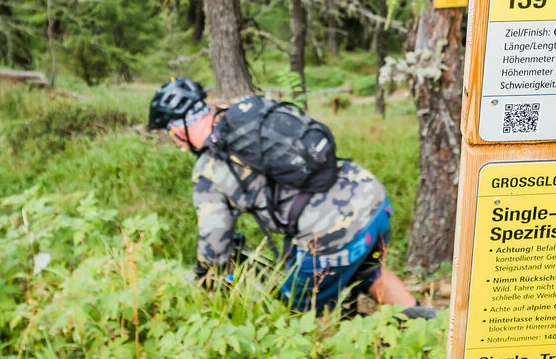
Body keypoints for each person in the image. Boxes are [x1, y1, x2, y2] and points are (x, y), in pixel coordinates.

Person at [148, 77, 438, 317]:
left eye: (171, 135)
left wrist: (203, 275)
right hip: (371, 196)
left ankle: (363, 342)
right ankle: (432, 327)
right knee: (368, 272)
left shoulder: (208, 169)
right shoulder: (248, 115)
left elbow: (214, 248)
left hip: (333, 231)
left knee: (302, 316)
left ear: (177, 131)